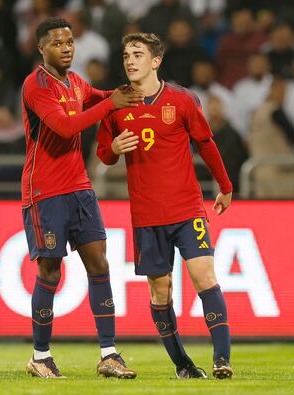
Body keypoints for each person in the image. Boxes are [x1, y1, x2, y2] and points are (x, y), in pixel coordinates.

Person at [97, 33, 233, 379]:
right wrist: (113, 147)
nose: (130, 60)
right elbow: (104, 155)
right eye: (126, 54)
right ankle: (183, 365)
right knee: (161, 291)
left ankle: (221, 359)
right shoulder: (115, 105)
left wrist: (225, 185)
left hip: (186, 209)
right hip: (146, 215)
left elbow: (205, 143)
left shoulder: (182, 100)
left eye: (138, 54)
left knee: (204, 276)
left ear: (156, 61)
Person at [21, 17, 143, 379]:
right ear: (41, 48)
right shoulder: (36, 85)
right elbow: (66, 126)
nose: (67, 48)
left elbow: (101, 98)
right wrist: (111, 104)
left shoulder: (75, 82)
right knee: (50, 270)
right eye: (58, 43)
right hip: (45, 191)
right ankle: (40, 357)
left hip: (79, 187)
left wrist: (129, 93)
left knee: (100, 264)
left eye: (70, 41)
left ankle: (108, 354)